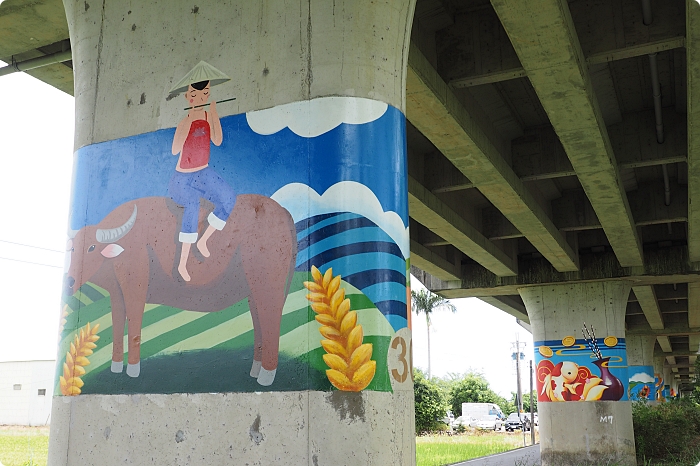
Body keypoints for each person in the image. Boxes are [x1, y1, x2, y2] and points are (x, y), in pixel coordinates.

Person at [168, 62, 235, 281]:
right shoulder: (183, 121)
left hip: (203, 174)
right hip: (182, 179)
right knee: (193, 204)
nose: (202, 97)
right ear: (188, 96)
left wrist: (214, 115)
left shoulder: (207, 116)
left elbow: (217, 140)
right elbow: (175, 149)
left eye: (206, 93)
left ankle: (204, 239)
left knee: (228, 198)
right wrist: (185, 126)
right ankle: (182, 264)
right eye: (197, 94)